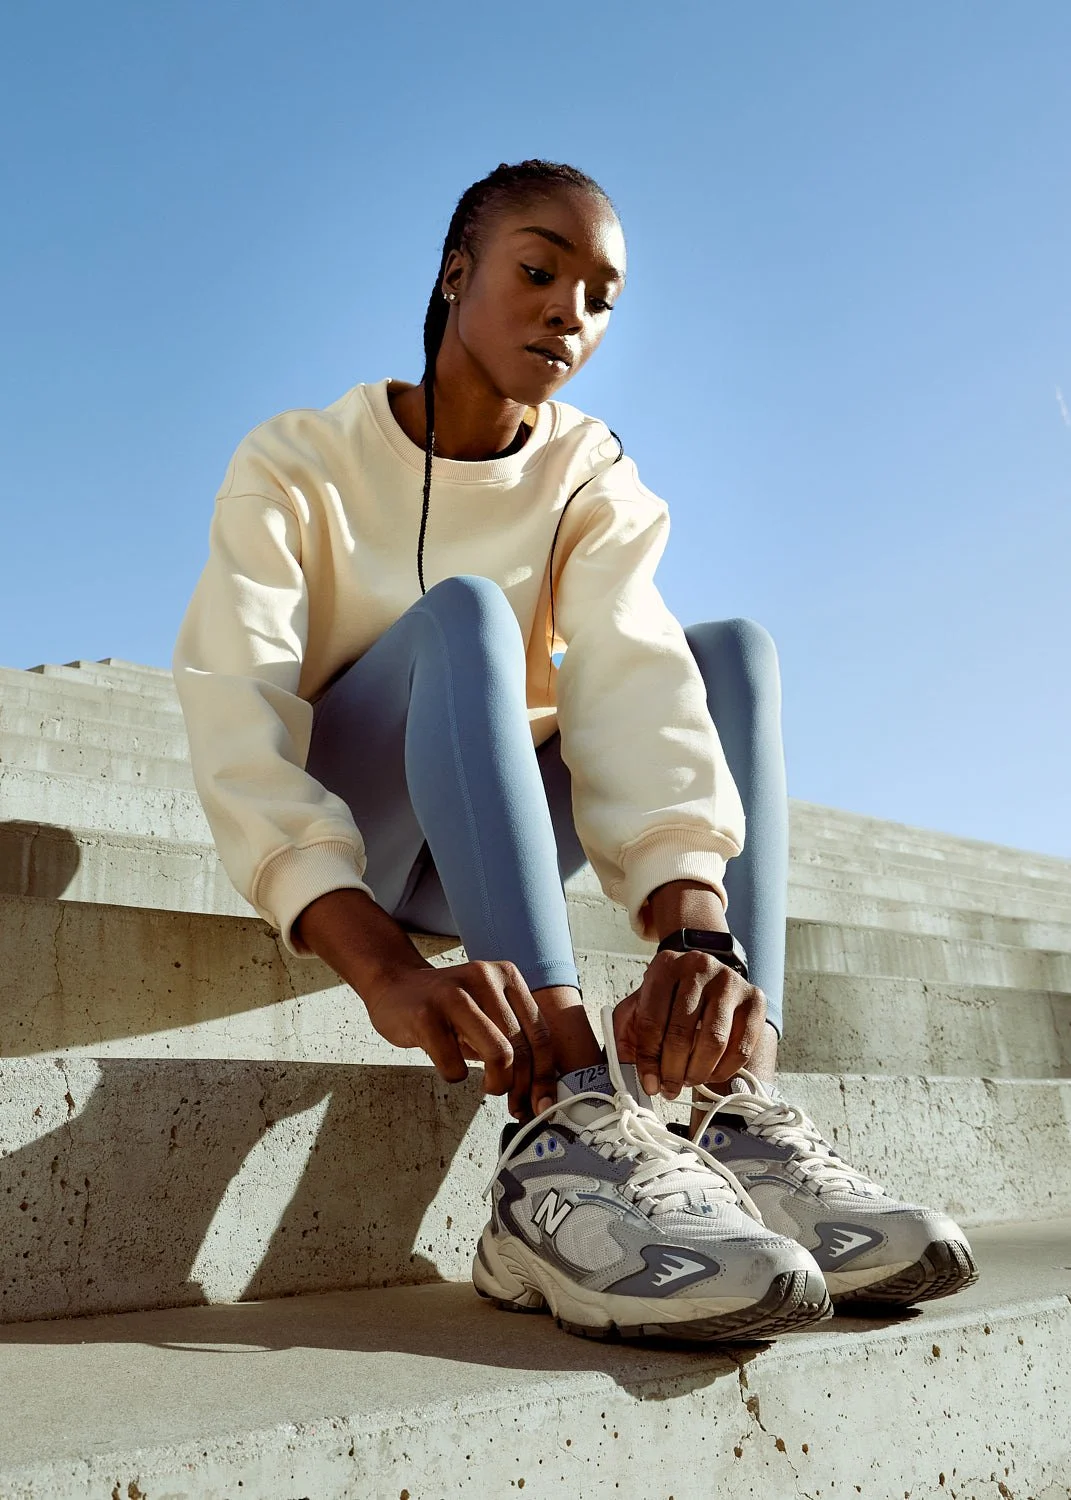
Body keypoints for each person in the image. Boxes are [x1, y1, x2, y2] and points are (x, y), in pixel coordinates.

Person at [173, 158, 977, 1342]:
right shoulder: (297, 460)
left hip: (488, 834)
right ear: (457, 275)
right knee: (464, 614)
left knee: (728, 653)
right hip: (363, 840)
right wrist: (382, 967)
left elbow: (632, 666)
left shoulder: (587, 468)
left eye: (600, 299)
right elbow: (234, 710)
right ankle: (562, 1126)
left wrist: (696, 929)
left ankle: (737, 1102)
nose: (569, 313)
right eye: (539, 272)